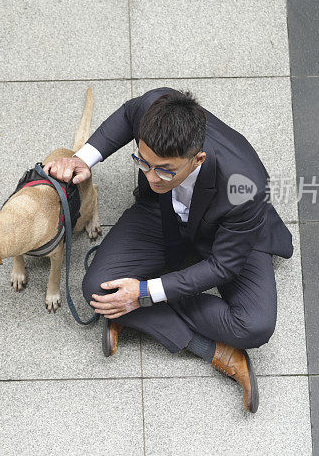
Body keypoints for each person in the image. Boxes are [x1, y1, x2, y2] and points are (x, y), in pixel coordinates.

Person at [44, 87, 293, 413]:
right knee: (97, 290)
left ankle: (133, 310)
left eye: (164, 169)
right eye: (143, 163)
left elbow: (222, 267)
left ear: (198, 159)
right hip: (160, 216)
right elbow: (126, 114)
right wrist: (83, 158)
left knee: (254, 325)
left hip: (228, 238)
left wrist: (145, 292)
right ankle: (211, 350)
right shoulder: (154, 107)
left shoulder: (246, 186)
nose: (150, 177)